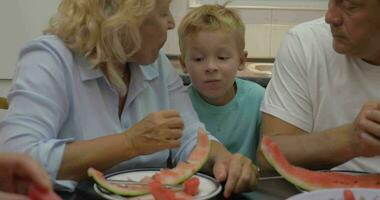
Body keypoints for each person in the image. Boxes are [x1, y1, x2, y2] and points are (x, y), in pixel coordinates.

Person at [0, 0, 259, 198]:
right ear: (127, 18)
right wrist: (128, 143)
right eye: (163, 12)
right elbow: (16, 158)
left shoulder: (155, 64)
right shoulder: (50, 58)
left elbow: (191, 134)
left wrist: (224, 158)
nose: (171, 23)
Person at [259, 0, 380, 173]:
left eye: (350, 6)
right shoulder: (305, 43)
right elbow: (268, 155)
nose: (330, 17)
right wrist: (350, 140)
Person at [178, 4, 265, 165]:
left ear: (241, 60)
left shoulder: (259, 99)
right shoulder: (180, 104)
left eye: (222, 57)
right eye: (198, 59)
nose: (211, 67)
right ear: (183, 64)